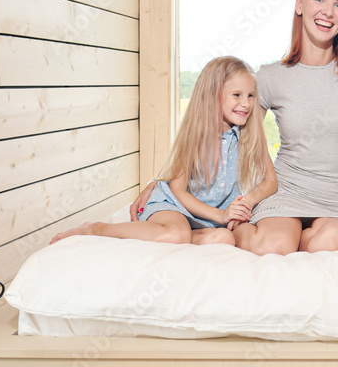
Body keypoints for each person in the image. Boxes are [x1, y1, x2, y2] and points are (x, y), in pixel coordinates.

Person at [134, 0, 338, 255]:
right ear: (299, 5)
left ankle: (293, 235)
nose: (328, 12)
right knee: (273, 245)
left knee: (332, 242)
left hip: (335, 199)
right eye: (319, 0)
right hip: (284, 192)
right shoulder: (271, 77)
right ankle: (221, 231)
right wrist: (165, 183)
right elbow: (223, 135)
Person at [53, 56, 276, 246]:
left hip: (208, 217)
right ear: (212, 96)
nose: (246, 104)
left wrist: (247, 201)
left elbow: (270, 181)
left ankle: (191, 235)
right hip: (176, 205)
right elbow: (178, 190)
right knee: (175, 234)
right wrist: (221, 215)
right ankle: (97, 229)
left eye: (250, 96)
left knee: (224, 239)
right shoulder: (198, 135)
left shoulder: (249, 134)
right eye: (237, 95)